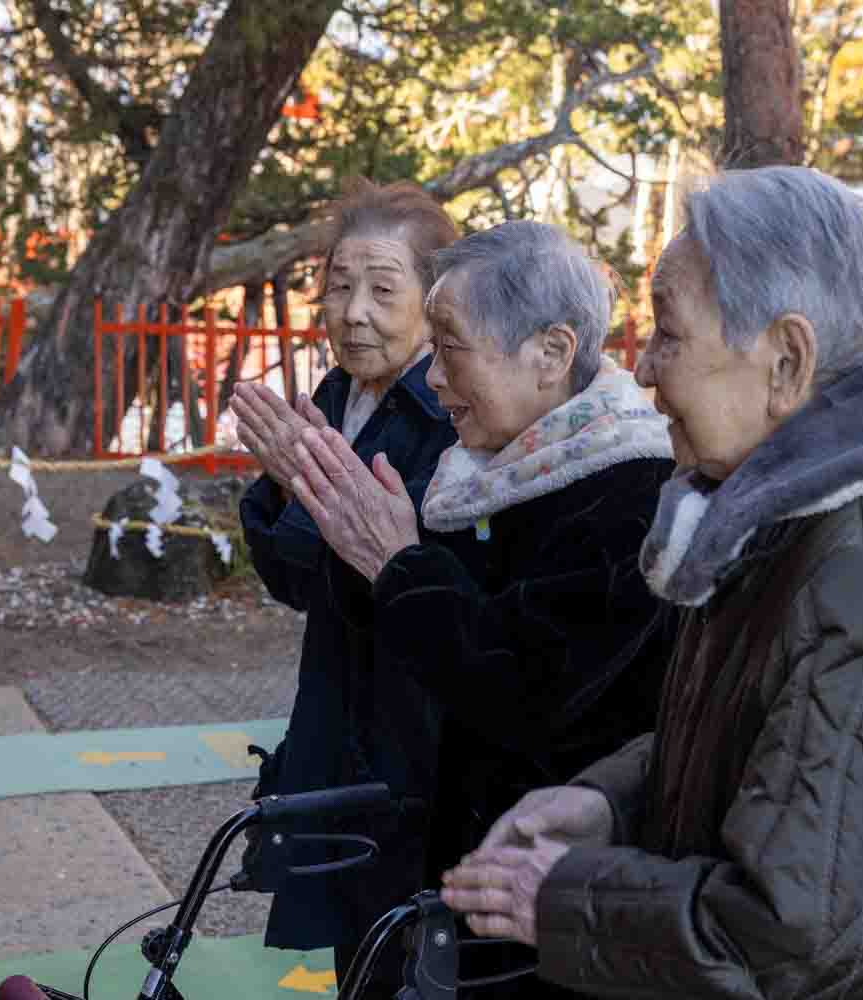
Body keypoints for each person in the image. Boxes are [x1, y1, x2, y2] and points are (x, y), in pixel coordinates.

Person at [440, 166, 863, 999]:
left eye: (669, 333)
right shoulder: (789, 515)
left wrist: (561, 899)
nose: (645, 369)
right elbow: (774, 745)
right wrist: (613, 803)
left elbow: (794, 935)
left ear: (787, 360)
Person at [286, 220, 677, 997]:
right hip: (457, 869)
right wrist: (363, 551)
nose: (431, 376)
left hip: (554, 900)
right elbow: (404, 647)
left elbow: (523, 692)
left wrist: (398, 566)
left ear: (552, 353)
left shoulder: (628, 498)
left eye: (452, 346)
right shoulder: (485, 473)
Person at [233, 180, 459, 977]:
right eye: (338, 286)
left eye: (383, 289)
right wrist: (290, 485)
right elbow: (297, 583)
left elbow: (394, 584)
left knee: (404, 947)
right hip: (336, 706)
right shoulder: (338, 393)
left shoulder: (449, 410)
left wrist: (307, 486)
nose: (354, 310)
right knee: (351, 949)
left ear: (435, 303)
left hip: (410, 730)